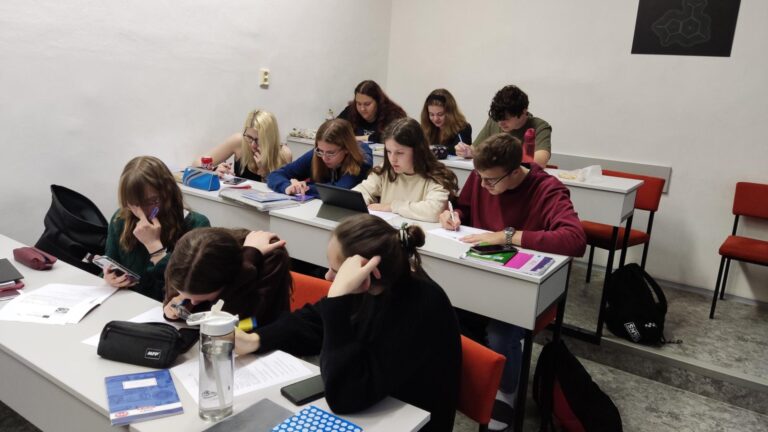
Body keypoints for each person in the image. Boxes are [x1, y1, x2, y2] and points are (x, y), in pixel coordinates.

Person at [235, 214, 461, 432]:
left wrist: (337, 300)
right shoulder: (375, 286)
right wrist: (255, 339)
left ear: (368, 270)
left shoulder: (420, 306)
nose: (327, 277)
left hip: (414, 422)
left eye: (335, 271)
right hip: (376, 408)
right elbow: (312, 321)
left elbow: (344, 396)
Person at [440, 133, 585, 431]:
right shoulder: (483, 176)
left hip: (521, 288)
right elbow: (465, 205)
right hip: (478, 275)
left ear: (515, 171)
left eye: (490, 181)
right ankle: (464, 381)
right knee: (440, 309)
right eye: (479, 177)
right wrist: (454, 215)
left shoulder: (547, 189)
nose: (482, 185)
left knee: (500, 333)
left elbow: (574, 239)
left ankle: (506, 392)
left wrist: (508, 236)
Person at [104, 156, 210, 301]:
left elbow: (189, 286)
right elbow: (111, 261)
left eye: (151, 201)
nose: (142, 211)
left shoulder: (196, 225)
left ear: (168, 193)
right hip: (127, 300)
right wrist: (109, 277)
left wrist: (155, 248)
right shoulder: (121, 219)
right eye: (134, 203)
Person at [162, 228, 292, 327]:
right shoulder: (188, 261)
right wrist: (175, 306)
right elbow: (180, 309)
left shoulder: (271, 257)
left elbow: (239, 323)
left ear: (229, 281)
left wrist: (248, 261)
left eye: (202, 298)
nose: (193, 302)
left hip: (261, 342)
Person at [353, 117, 458, 222]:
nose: (392, 159)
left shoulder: (437, 176)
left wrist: (393, 206)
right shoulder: (385, 170)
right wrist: (362, 202)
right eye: (389, 152)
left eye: (399, 153)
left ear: (417, 151)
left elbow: (434, 211)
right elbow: (360, 192)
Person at [267, 118, 372, 196]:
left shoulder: (362, 158)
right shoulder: (317, 154)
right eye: (320, 151)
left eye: (331, 153)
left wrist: (304, 188)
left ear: (346, 149)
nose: (324, 158)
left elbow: (339, 190)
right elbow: (275, 175)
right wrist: (287, 187)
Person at [456, 85, 552, 167]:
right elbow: (475, 149)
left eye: (506, 119)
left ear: (524, 111)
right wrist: (468, 151)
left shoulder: (540, 126)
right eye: (498, 119)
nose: (500, 123)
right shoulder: (494, 121)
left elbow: (540, 162)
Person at [198, 110, 292, 181]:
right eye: (249, 137)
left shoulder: (283, 154)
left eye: (258, 140)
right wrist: (214, 170)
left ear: (270, 139)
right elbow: (196, 164)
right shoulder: (239, 141)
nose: (253, 145)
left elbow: (284, 191)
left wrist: (265, 173)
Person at [337, 80, 407, 143]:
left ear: (378, 102)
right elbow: (335, 127)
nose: (362, 109)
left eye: (367, 104)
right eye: (358, 103)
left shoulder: (394, 114)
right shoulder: (351, 110)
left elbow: (389, 137)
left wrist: (353, 139)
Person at [420, 88, 472, 155]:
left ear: (450, 113)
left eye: (440, 114)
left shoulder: (463, 128)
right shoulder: (425, 128)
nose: (435, 119)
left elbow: (456, 152)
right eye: (431, 114)